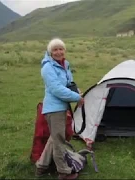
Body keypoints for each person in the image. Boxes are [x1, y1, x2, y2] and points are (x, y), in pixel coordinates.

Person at [35, 38, 84, 180]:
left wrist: (76, 91)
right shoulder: (47, 68)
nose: (58, 52)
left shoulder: (65, 65)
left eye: (60, 49)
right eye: (55, 49)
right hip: (54, 108)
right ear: (50, 52)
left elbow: (68, 83)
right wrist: (76, 98)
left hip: (61, 106)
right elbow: (57, 89)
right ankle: (63, 171)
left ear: (64, 50)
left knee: (54, 138)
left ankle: (41, 166)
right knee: (59, 141)